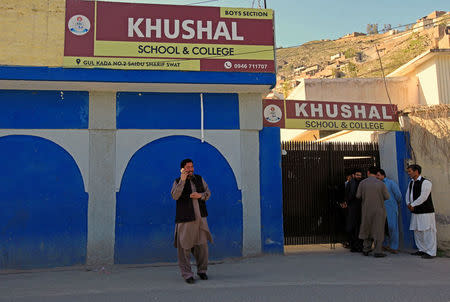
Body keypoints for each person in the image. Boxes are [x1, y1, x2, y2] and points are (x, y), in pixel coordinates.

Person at [170, 158, 213, 284]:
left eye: (192, 167)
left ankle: (202, 271)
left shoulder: (199, 179)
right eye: (188, 167)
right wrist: (182, 181)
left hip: (200, 219)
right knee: (184, 248)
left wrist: (200, 196)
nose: (190, 169)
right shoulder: (178, 181)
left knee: (202, 247)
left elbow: (208, 193)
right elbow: (175, 196)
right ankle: (187, 274)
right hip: (185, 220)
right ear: (183, 169)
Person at [356, 167, 390, 257]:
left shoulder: (362, 183)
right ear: (376, 173)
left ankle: (366, 249)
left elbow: (358, 196)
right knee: (378, 229)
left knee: (367, 228)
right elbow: (387, 196)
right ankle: (378, 251)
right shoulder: (381, 184)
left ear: (368, 172)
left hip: (366, 210)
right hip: (379, 210)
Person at [406, 164, 436, 259]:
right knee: (417, 230)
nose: (408, 173)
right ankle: (421, 249)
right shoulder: (411, 182)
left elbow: (423, 196)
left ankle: (431, 252)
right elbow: (408, 194)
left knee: (428, 231)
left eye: (410, 171)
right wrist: (408, 204)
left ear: (416, 171)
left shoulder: (426, 182)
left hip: (426, 211)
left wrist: (413, 205)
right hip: (415, 211)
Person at [376, 169, 403, 253]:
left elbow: (398, 195)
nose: (377, 177)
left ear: (383, 175)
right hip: (380, 209)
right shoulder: (376, 184)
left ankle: (394, 247)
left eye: (378, 175)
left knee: (392, 227)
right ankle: (384, 244)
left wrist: (393, 203)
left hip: (390, 208)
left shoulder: (391, 183)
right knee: (382, 227)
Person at [343, 169, 363, 252]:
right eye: (357, 175)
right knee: (355, 227)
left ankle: (355, 246)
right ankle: (356, 246)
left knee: (355, 227)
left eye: (360, 175)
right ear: (353, 175)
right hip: (355, 208)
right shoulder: (354, 183)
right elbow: (349, 194)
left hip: (356, 208)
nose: (359, 176)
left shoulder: (357, 183)